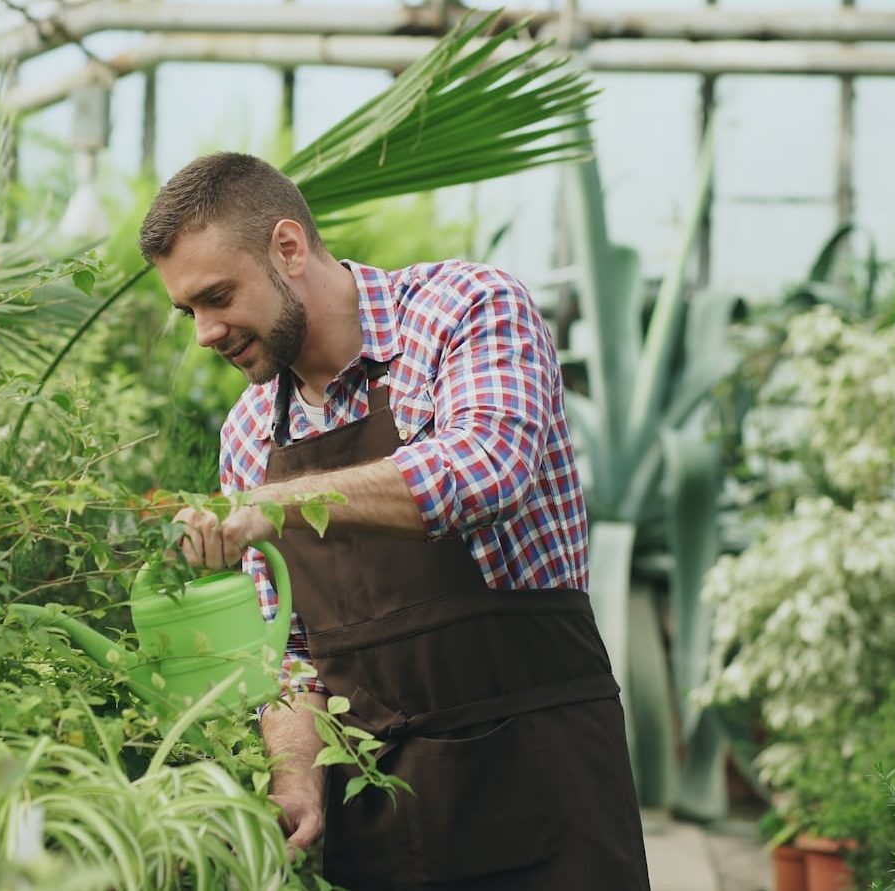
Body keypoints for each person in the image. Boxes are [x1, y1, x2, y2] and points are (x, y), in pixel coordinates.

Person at [139, 152, 650, 890]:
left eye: (218, 297)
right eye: (189, 312)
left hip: (543, 788)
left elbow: (486, 467)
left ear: (288, 248)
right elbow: (289, 654)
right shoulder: (249, 434)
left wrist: (275, 504)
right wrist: (297, 779)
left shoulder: (466, 308)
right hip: (380, 826)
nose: (205, 333)